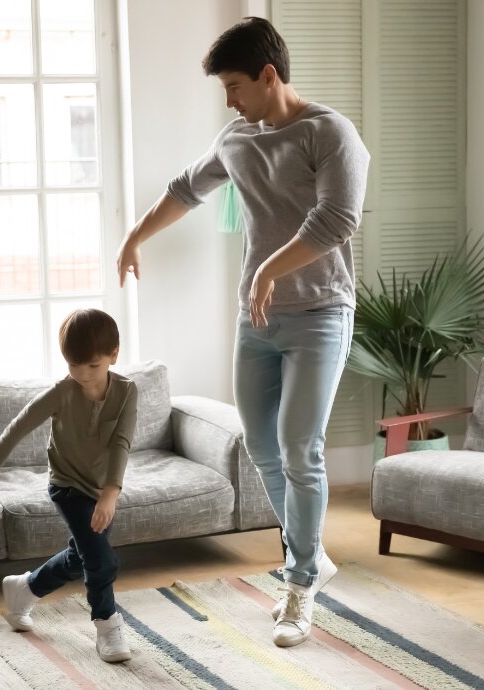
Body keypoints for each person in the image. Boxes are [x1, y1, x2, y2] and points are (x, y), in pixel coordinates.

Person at [115, 17, 369, 648]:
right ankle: (310, 550)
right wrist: (136, 235)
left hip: (320, 314)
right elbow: (184, 189)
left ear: (269, 75)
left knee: (299, 446)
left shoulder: (330, 133)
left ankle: (300, 581)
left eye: (234, 85)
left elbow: (337, 219)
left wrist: (270, 270)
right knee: (262, 448)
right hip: (256, 322)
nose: (229, 99)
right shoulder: (237, 139)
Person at [0, 308, 138, 663]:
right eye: (73, 365)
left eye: (92, 366)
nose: (82, 375)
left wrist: (110, 493)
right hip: (66, 485)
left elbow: (121, 442)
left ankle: (25, 588)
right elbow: (21, 424)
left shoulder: (127, 391)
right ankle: (107, 627)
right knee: (101, 560)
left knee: (83, 556)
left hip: (100, 490)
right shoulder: (62, 392)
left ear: (113, 356)